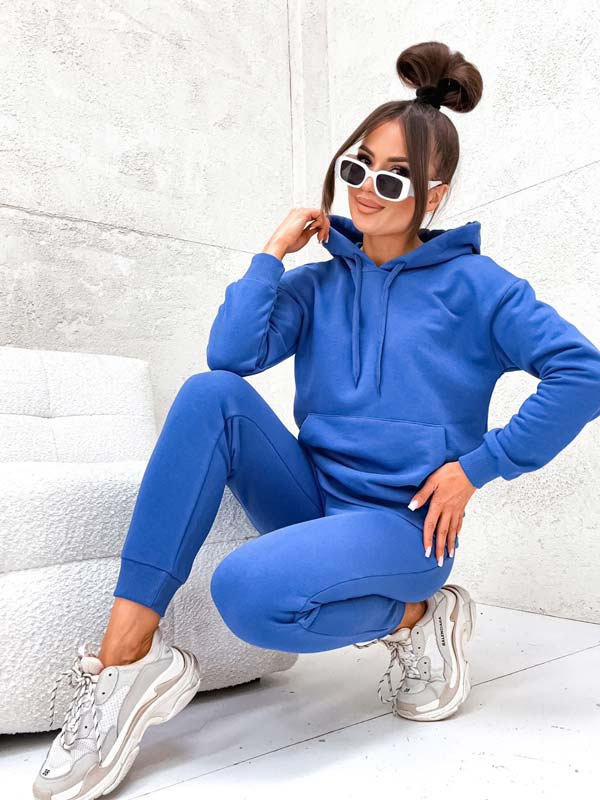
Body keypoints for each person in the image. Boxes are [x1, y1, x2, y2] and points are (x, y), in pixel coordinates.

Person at [33, 40, 600, 799]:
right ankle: (128, 658)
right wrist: (272, 255)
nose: (366, 190)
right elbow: (231, 355)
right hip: (310, 501)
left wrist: (478, 467)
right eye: (357, 167)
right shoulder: (316, 287)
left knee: (248, 593)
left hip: (405, 525)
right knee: (208, 394)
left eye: (393, 178)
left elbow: (584, 374)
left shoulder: (480, 288)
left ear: (433, 195)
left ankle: (418, 613)